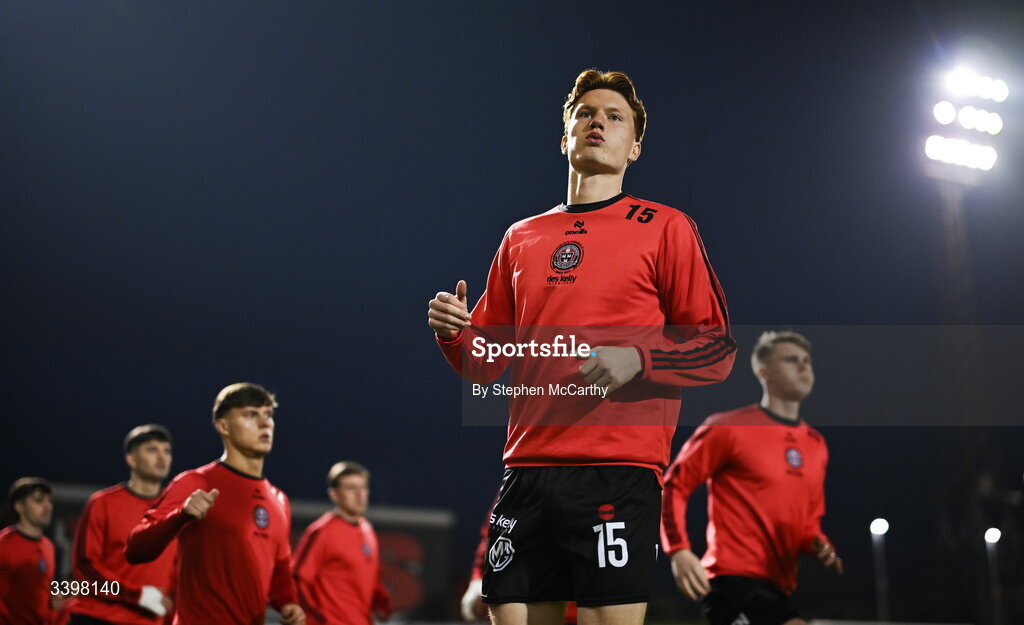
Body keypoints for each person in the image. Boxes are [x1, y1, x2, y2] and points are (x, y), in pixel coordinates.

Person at [428, 69, 735, 625]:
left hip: (615, 469)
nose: (598, 121)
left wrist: (638, 360)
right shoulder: (521, 236)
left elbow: (716, 349)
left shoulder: (666, 227)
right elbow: (483, 363)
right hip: (526, 470)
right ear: (564, 136)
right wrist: (455, 333)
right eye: (585, 113)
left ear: (634, 147)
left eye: (615, 116)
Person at [661, 331, 842, 625]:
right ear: (763, 372)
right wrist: (679, 550)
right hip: (732, 585)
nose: (803, 367)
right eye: (791, 360)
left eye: (807, 361)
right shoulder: (728, 427)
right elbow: (673, 485)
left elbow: (809, 521)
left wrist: (817, 543)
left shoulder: (815, 444)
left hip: (779, 588)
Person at [125, 383, 304, 625]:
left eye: (268, 415)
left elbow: (280, 567)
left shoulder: (279, 499)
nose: (265, 423)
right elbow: (136, 548)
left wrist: (288, 603)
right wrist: (181, 515)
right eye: (251, 414)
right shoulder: (196, 482)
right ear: (223, 426)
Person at [67, 425, 177, 625]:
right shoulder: (103, 503)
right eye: (152, 450)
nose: (162, 457)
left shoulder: (175, 511)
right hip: (98, 618)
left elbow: (178, 575)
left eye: (167, 451)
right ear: (131, 459)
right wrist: (137, 596)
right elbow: (84, 569)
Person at [292, 461, 391, 625]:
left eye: (363, 487)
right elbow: (298, 581)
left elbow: (370, 580)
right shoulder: (322, 532)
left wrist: (381, 600)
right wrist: (316, 619)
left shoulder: (368, 531)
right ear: (334, 494)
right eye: (351, 488)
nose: (360, 495)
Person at [0, 477, 60, 625]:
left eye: (50, 501)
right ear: (19, 506)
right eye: (39, 500)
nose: (47, 506)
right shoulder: (3, 544)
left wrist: (54, 599)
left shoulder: (49, 547)